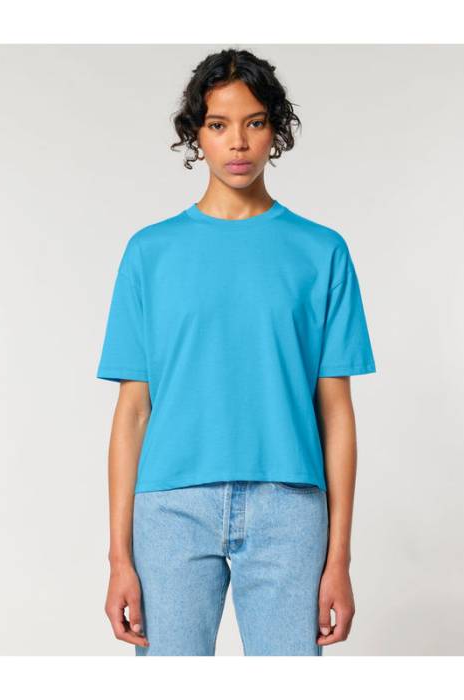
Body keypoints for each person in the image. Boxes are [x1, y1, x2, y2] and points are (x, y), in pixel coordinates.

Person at [96, 48, 376, 656]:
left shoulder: (321, 251)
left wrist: (339, 559)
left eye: (254, 122)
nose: (238, 142)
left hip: (289, 507)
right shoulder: (150, 253)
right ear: (196, 134)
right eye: (219, 125)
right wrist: (119, 557)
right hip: (170, 508)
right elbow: (133, 411)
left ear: (276, 129)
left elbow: (336, 412)